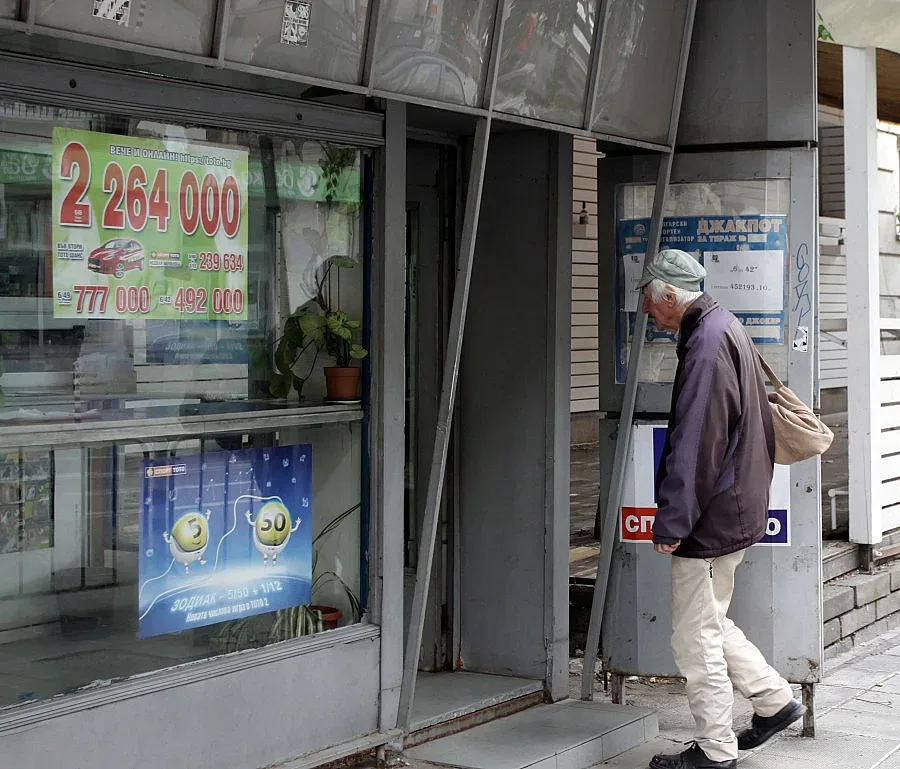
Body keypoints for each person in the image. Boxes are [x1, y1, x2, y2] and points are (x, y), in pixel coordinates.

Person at [636, 249, 805, 769]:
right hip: (737, 503)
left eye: (649, 301)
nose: (647, 312)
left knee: (695, 635)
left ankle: (714, 750)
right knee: (710, 618)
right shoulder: (723, 325)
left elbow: (694, 444)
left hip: (713, 514)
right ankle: (775, 703)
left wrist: (673, 520)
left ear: (670, 294)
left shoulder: (705, 344)